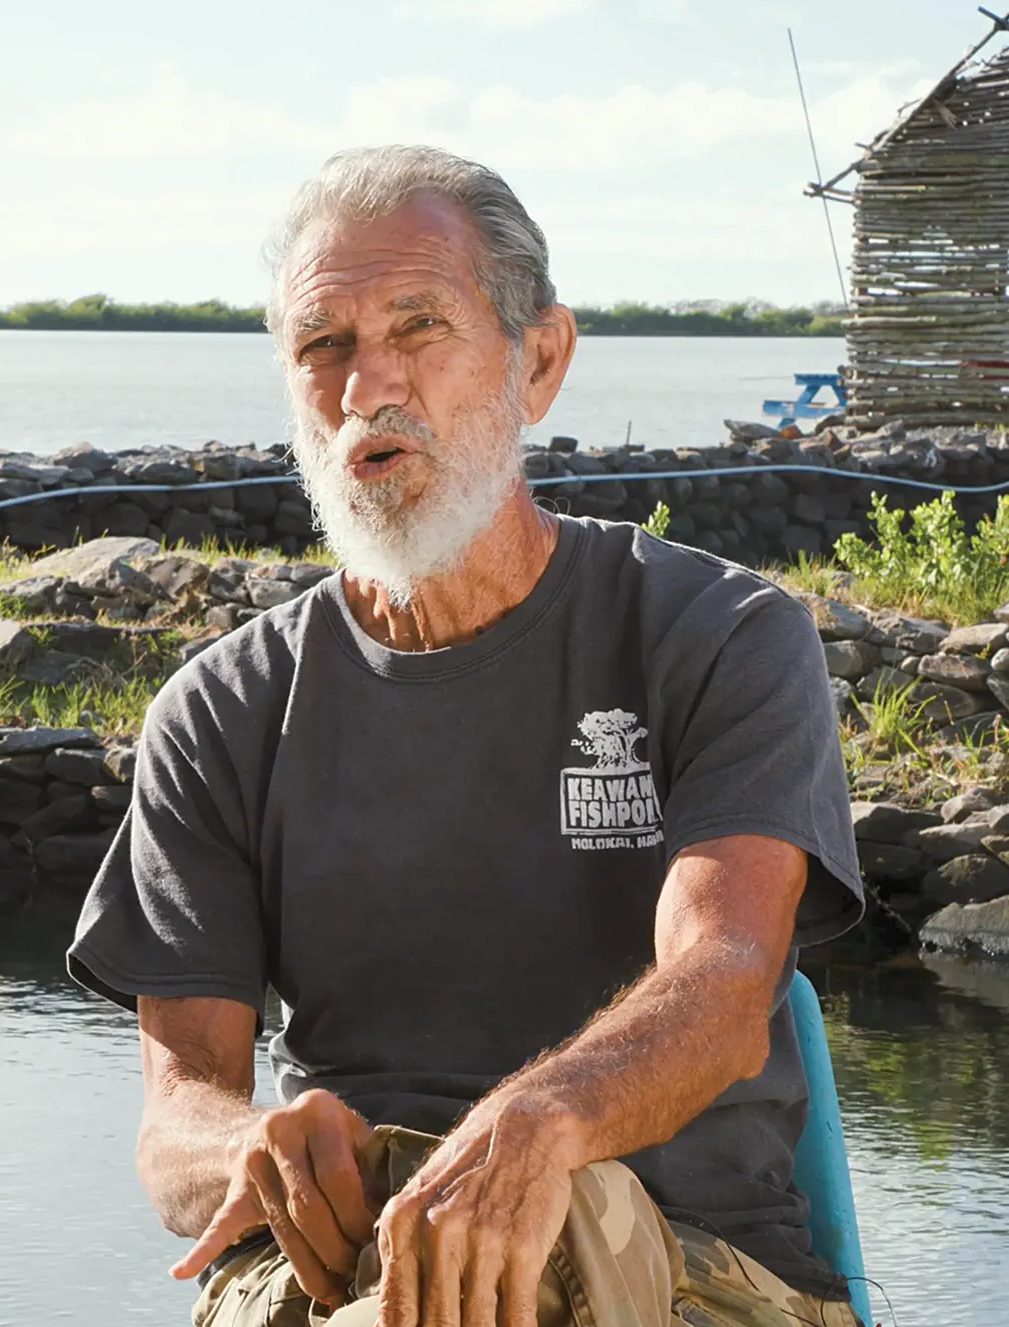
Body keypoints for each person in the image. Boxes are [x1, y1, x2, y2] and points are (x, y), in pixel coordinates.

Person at [68, 144, 864, 1327]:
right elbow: (177, 1111)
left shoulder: (718, 633)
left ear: (538, 360)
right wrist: (250, 1150)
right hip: (344, 1268)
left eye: (418, 326)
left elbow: (727, 980)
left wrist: (542, 1123)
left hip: (678, 1254)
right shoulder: (220, 710)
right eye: (321, 345)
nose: (365, 386)